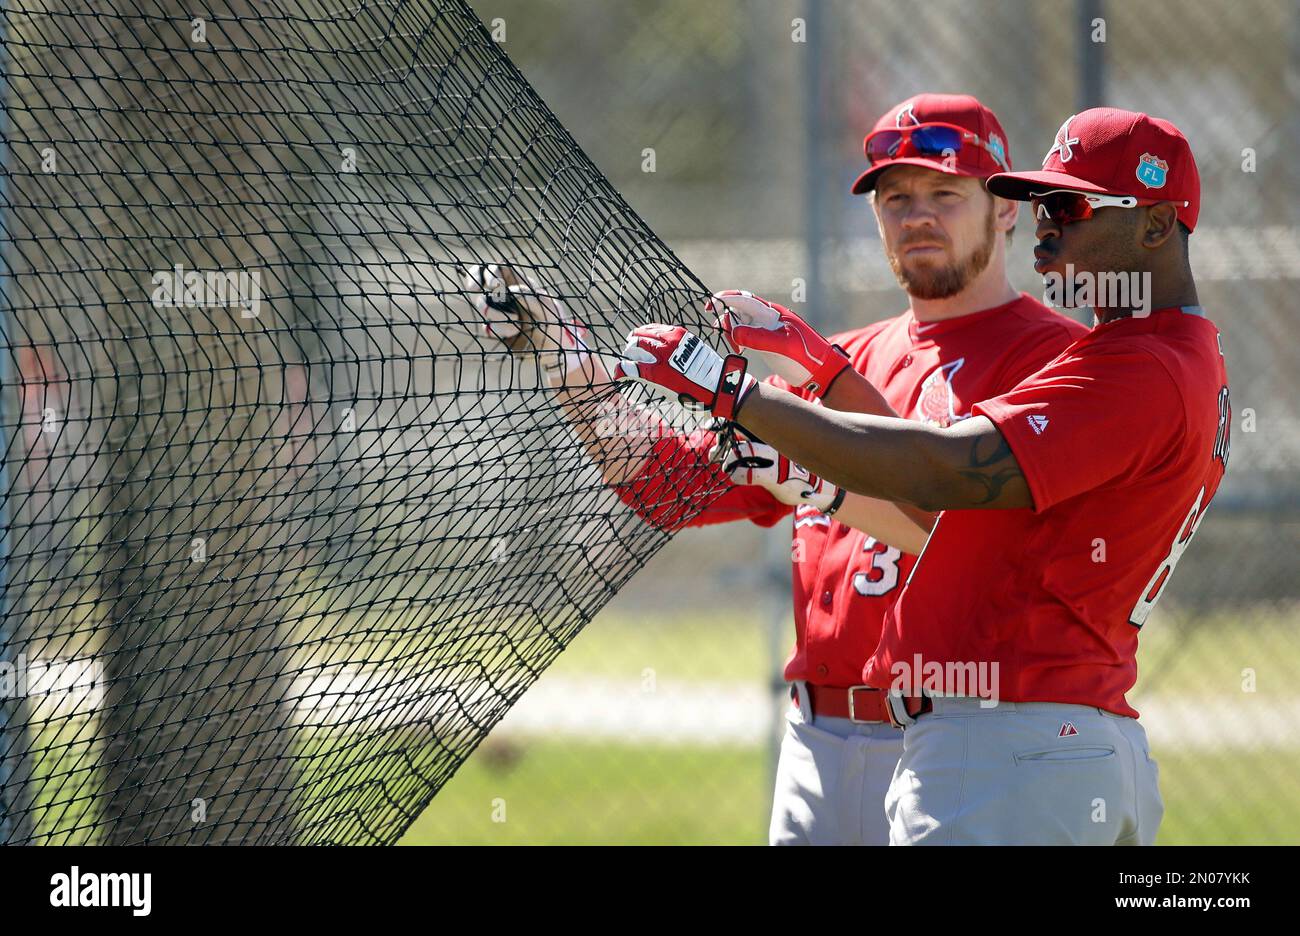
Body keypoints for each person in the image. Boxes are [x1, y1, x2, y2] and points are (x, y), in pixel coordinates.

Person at [467, 94, 1087, 844]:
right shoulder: (842, 357)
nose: (917, 216)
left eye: (946, 194)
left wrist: (815, 469)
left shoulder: (1058, 362)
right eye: (896, 199)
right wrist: (566, 365)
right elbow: (672, 486)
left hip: (965, 735)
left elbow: (988, 542)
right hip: (818, 738)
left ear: (1006, 210)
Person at [615, 106, 1229, 845]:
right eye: (1043, 203)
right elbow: (939, 488)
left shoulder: (1133, 364)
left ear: (1156, 226)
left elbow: (947, 473)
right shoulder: (1152, 352)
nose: (1048, 227)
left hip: (1016, 747)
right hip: (1025, 742)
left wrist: (737, 392)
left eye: (1068, 206)